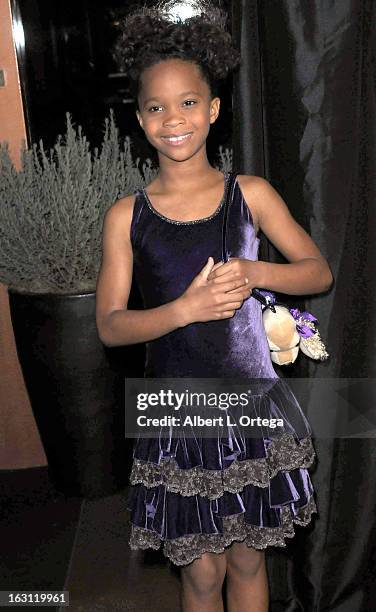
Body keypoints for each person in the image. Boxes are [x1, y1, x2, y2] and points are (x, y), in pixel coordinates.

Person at [96, 6, 333, 612]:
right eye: (156, 106)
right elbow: (111, 326)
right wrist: (185, 308)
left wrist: (254, 272)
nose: (174, 119)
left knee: (249, 559)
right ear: (141, 119)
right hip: (177, 412)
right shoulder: (128, 216)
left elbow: (317, 271)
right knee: (201, 574)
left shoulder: (249, 195)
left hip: (251, 406)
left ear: (214, 109)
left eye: (188, 102)